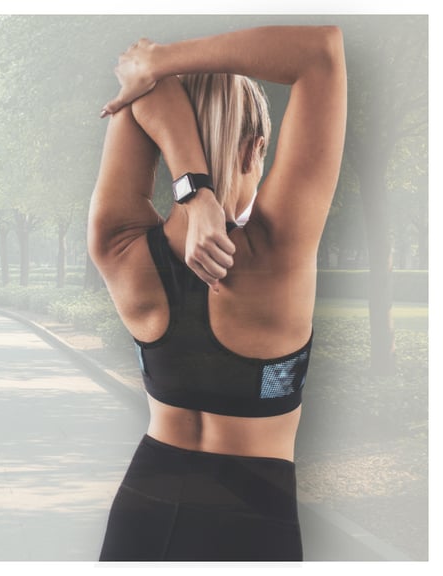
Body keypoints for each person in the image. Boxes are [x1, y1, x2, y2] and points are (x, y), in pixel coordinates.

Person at [87, 25, 346, 561]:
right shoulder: (279, 253)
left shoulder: (118, 249)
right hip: (252, 521)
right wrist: (162, 60)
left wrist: (192, 188)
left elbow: (139, 84)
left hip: (143, 514)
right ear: (256, 148)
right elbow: (319, 52)